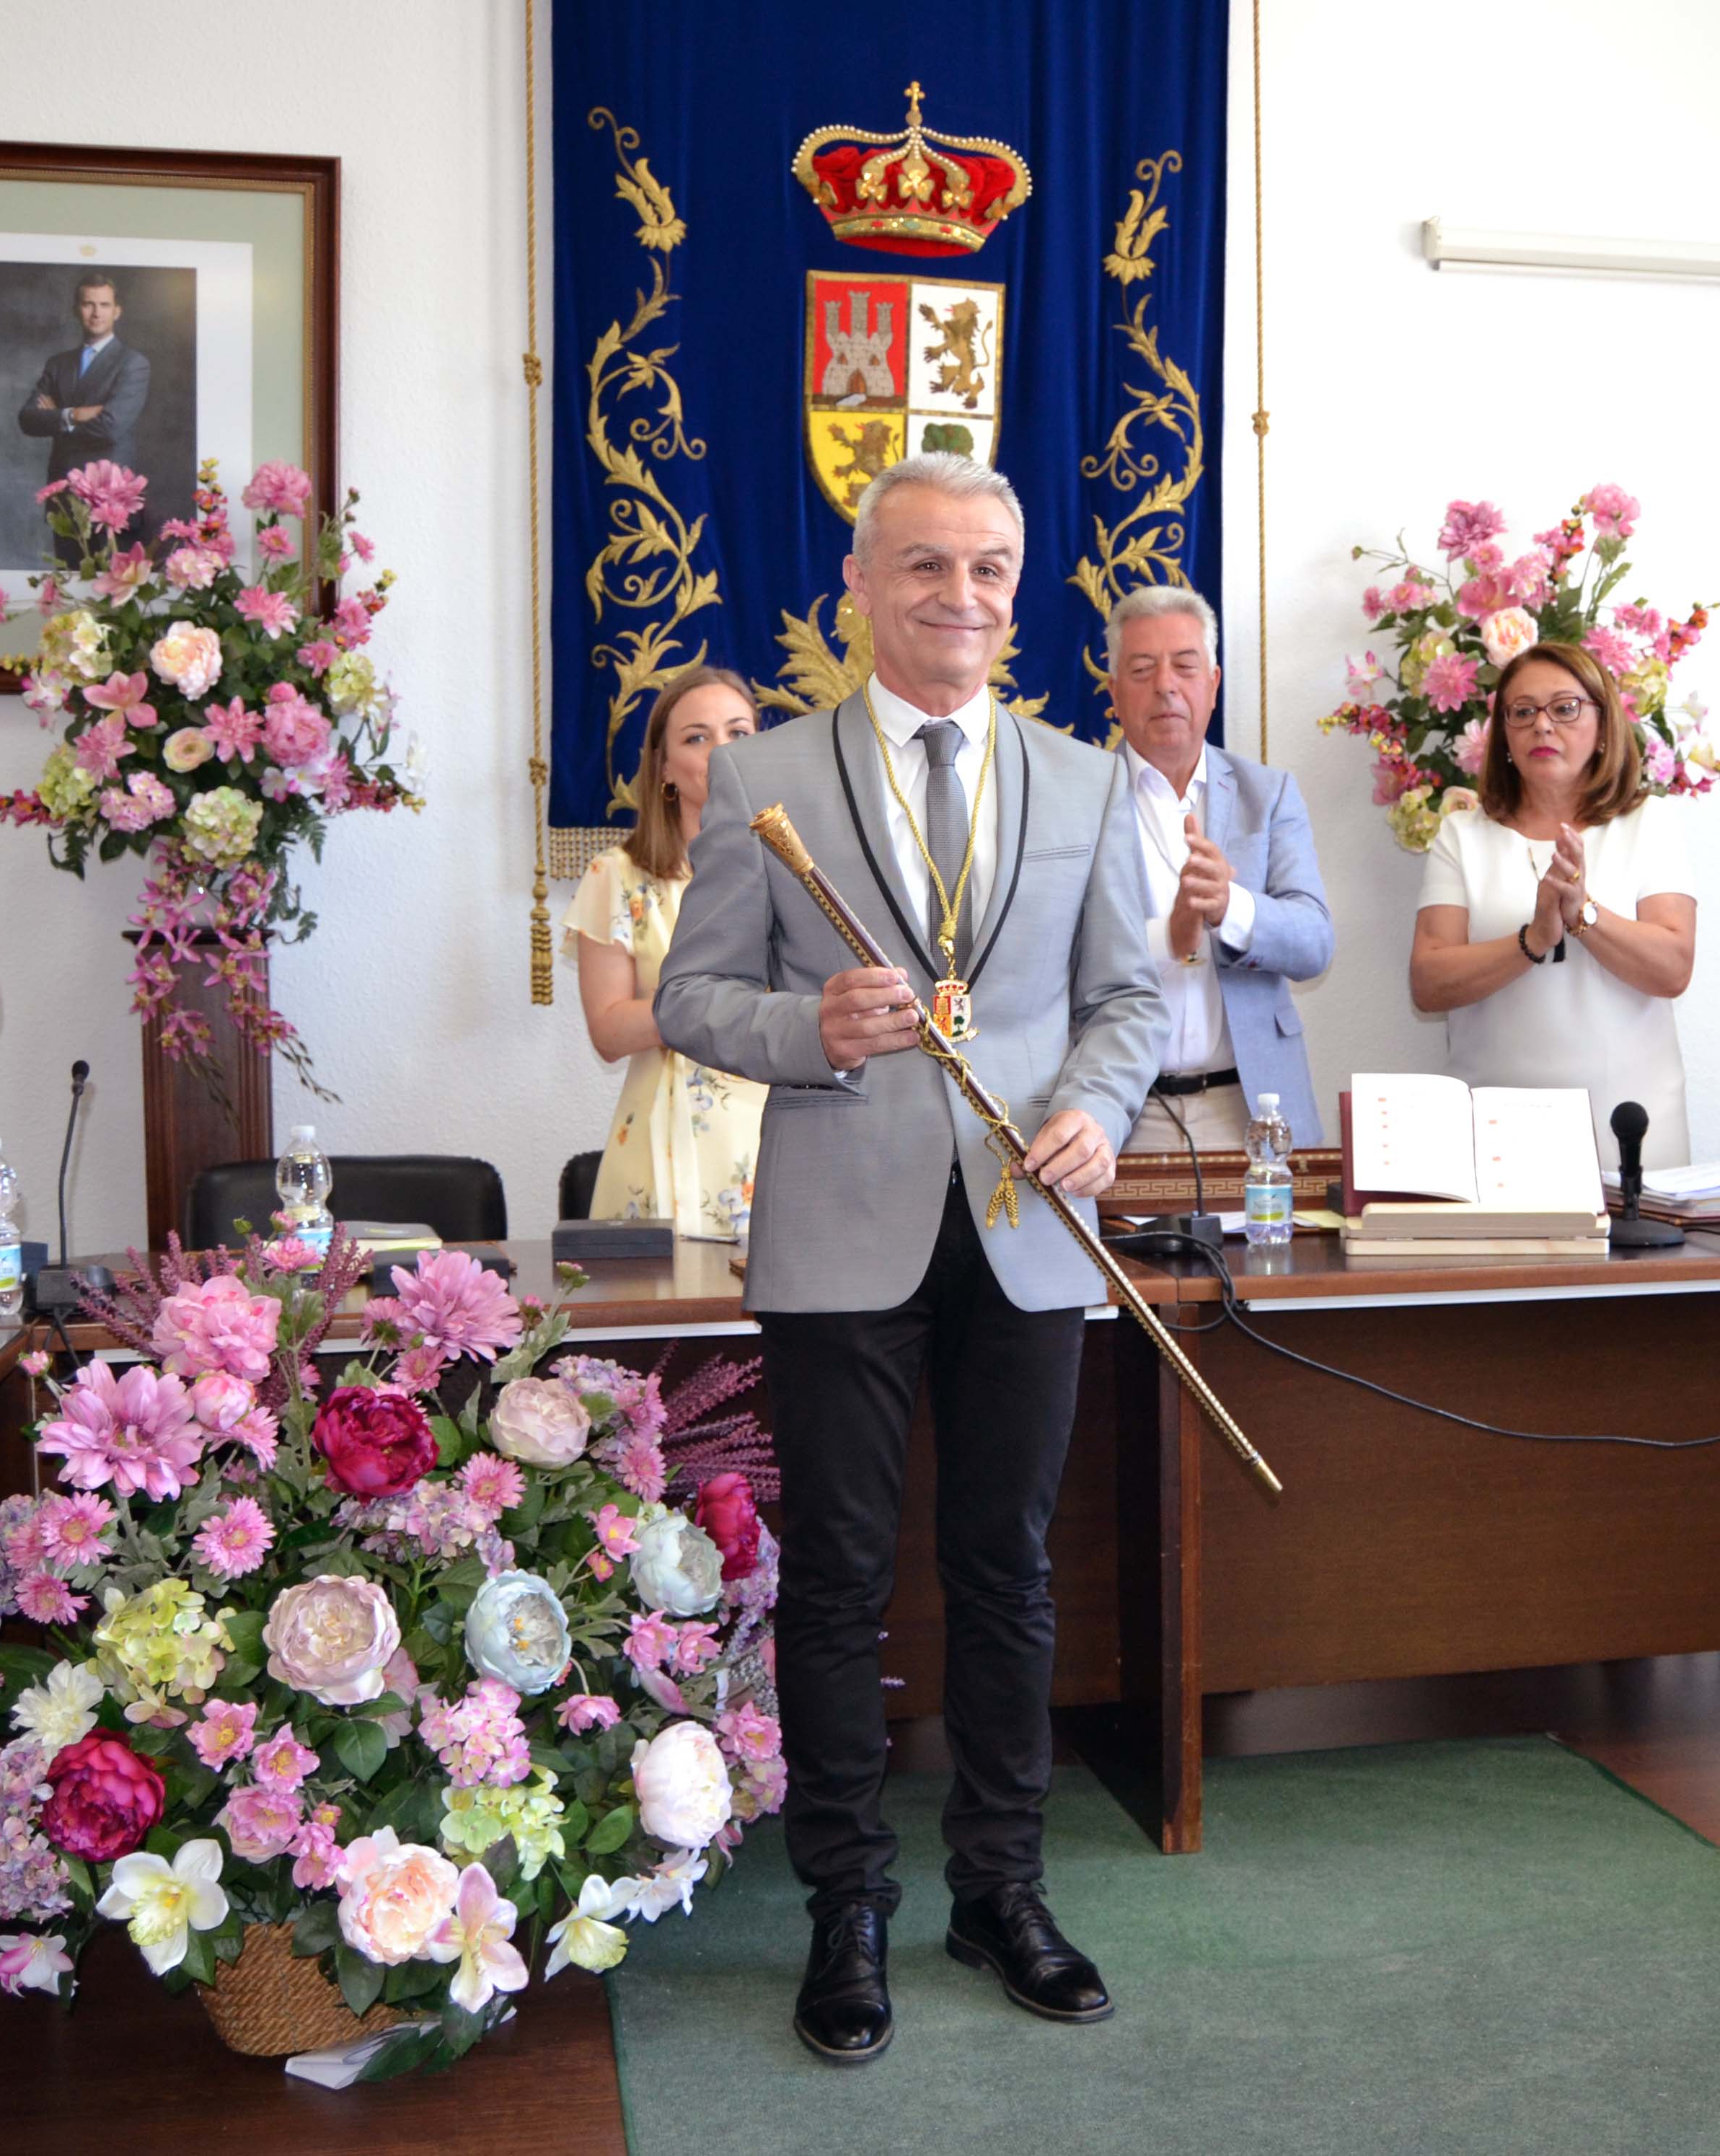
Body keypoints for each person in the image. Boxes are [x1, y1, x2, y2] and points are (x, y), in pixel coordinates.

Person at [654, 453, 1163, 2067]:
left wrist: (1091, 1107)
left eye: (990, 569)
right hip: (838, 1230)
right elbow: (688, 1001)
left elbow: (1127, 1002)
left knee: (1008, 1573)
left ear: (1021, 590)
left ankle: (1001, 1891)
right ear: (860, 586)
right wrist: (803, 1028)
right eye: (926, 567)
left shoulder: (1086, 782)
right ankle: (844, 1908)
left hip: (1026, 1227)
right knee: (840, 1582)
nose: (961, 596)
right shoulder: (761, 778)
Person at [1408, 640, 1698, 1167]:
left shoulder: (1647, 823)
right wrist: (1533, 940)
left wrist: (1583, 913)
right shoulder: (1463, 834)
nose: (1542, 726)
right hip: (1492, 1136)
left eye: (1564, 708)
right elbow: (1428, 983)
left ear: (1603, 724)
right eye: (1522, 713)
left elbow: (1672, 968)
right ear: (1502, 736)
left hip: (1629, 1130)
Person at [1105, 583, 1334, 1152]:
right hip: (1123, 1112)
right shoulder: (1075, 799)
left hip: (1252, 1106)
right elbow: (1050, 956)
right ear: (1112, 691)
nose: (1165, 686)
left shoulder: (1268, 794)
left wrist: (1230, 908)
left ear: (1212, 682)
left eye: (1185, 666)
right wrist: (1171, 935)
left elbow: (1314, 944)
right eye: (1141, 669)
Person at [566, 664, 766, 1237]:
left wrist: (689, 1000)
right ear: (664, 768)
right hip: (662, 1153)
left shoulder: (801, 869)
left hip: (780, 1145)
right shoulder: (619, 874)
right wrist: (723, 1000)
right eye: (697, 738)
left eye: (738, 733)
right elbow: (609, 1032)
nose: (721, 752)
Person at [19, 274, 151, 504]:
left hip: (110, 492)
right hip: (63, 489)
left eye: (104, 305)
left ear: (117, 311)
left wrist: (58, 417)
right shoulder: (58, 364)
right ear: (76, 310)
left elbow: (110, 427)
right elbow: (28, 419)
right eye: (89, 304)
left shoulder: (133, 363)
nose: (97, 313)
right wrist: (75, 415)